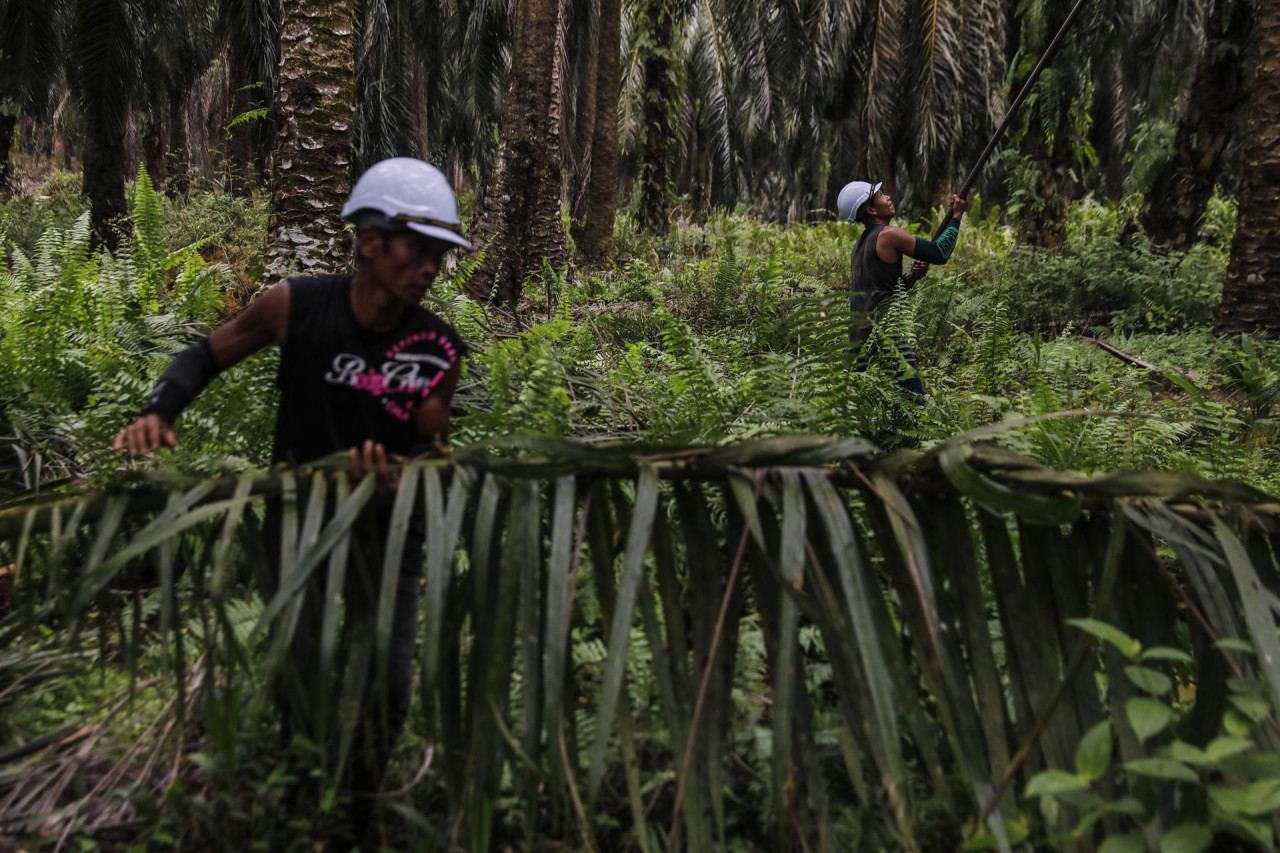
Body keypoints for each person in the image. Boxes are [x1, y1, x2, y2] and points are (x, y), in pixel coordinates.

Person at [113, 157, 471, 843]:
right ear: (369, 241)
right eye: (416, 248)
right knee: (298, 666)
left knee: (389, 682)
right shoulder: (296, 305)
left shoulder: (437, 347)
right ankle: (294, 796)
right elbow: (203, 357)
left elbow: (434, 449)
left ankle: (358, 812)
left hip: (391, 530)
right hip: (298, 520)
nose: (429, 267)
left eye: (439, 255)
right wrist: (159, 411)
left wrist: (408, 470)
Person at [837, 180, 970, 395]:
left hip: (860, 339)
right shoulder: (889, 235)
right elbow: (938, 253)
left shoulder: (860, 245)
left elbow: (883, 292)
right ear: (871, 209)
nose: (888, 197)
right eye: (881, 195)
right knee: (916, 400)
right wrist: (957, 215)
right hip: (887, 333)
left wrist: (910, 275)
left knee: (859, 401)